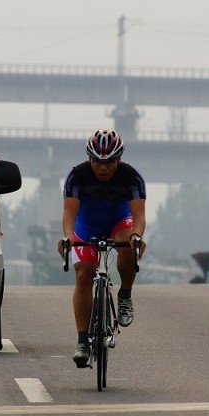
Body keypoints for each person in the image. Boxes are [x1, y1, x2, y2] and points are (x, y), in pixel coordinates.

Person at [57, 129, 147, 367]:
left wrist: (137, 236)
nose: (103, 167)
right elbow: (69, 214)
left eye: (110, 162)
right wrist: (68, 237)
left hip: (119, 223)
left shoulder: (132, 177)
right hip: (87, 226)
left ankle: (125, 294)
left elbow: (138, 215)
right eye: (97, 161)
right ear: (89, 158)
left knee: (128, 244)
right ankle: (82, 342)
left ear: (119, 159)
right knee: (84, 273)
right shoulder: (77, 176)